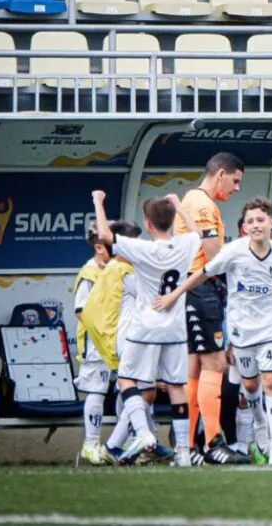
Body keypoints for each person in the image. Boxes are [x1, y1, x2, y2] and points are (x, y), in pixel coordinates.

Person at [155, 197, 272, 465]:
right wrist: (175, 294)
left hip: (271, 329)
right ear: (244, 227)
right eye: (250, 221)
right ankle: (260, 426)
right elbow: (202, 272)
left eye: (260, 220)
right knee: (250, 385)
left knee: (271, 382)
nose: (256, 225)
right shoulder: (234, 251)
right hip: (241, 331)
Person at [92, 190, 202, 467]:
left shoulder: (142, 249)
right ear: (172, 220)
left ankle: (143, 433)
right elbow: (198, 232)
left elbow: (105, 236)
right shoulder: (186, 244)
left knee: (126, 380)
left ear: (148, 224)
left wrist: (98, 202)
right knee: (177, 387)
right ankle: (184, 452)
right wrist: (179, 205)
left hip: (145, 328)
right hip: (175, 330)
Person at [175, 152, 244, 465]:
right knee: (215, 364)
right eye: (235, 180)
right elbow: (214, 256)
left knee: (194, 370)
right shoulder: (202, 205)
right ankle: (213, 442)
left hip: (191, 289)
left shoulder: (193, 201)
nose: (236, 188)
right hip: (201, 289)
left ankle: (189, 446)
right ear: (220, 174)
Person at [73, 222, 112, 465]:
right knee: (97, 390)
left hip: (118, 339)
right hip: (97, 342)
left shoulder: (117, 268)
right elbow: (81, 311)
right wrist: (104, 331)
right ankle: (90, 444)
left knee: (129, 389)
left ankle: (125, 443)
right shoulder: (88, 274)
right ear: (98, 247)